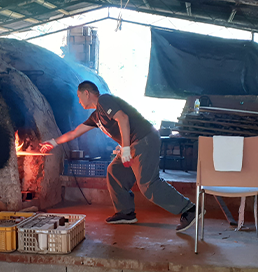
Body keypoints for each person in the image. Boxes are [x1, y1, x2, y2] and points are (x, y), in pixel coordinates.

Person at [40, 81, 197, 231]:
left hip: (144, 139)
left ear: (86, 93)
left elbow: (123, 118)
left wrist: (126, 147)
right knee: (115, 172)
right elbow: (75, 133)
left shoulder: (105, 100)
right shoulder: (96, 117)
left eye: (79, 96)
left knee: (149, 185)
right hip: (133, 145)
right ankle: (125, 213)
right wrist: (53, 142)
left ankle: (189, 209)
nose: (79, 101)